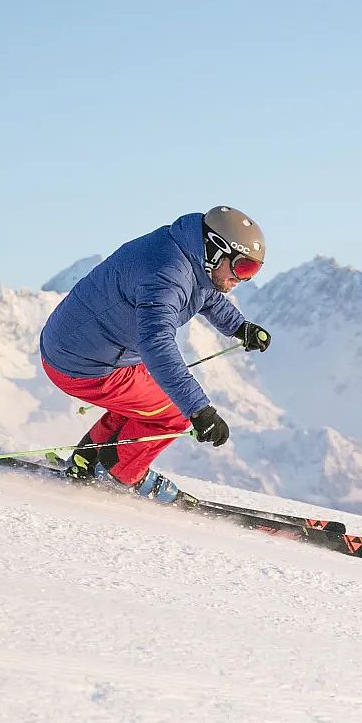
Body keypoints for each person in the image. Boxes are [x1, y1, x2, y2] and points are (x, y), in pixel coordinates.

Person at [39, 206, 271, 503]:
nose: (243, 279)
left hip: (80, 348)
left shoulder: (186, 252)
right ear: (216, 250)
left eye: (253, 270)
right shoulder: (167, 275)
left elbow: (204, 293)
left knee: (147, 398)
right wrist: (199, 410)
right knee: (173, 412)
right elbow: (156, 343)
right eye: (242, 268)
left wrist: (239, 327)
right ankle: (121, 473)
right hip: (82, 364)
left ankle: (89, 460)